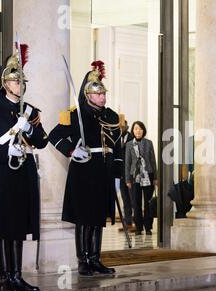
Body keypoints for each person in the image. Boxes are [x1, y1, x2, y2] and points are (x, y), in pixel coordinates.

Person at [49, 61, 122, 276]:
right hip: (83, 170)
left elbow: (117, 148)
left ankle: (96, 259)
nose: (103, 97)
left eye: (103, 94)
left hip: (103, 171)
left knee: (98, 216)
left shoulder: (111, 116)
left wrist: (117, 175)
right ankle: (83, 260)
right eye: (98, 94)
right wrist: (72, 151)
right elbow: (54, 136)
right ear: (88, 95)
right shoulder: (75, 114)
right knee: (84, 217)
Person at [0, 44, 48, 291]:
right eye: (16, 81)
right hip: (2, 177)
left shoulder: (29, 111)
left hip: (23, 175)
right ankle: (5, 279)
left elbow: (43, 141)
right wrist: (6, 152)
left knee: (19, 226)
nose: (21, 85)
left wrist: (29, 130)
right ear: (6, 84)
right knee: (4, 227)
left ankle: (17, 276)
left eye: (23, 81)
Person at [125, 121, 157, 236]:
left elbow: (153, 160)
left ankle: (148, 227)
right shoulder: (129, 144)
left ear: (143, 130)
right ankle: (138, 227)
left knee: (148, 203)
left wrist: (156, 177)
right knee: (136, 202)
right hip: (135, 176)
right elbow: (128, 163)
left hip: (148, 175)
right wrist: (127, 179)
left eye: (140, 129)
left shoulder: (149, 143)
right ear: (133, 131)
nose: (138, 131)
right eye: (135, 129)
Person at [117, 118, 135, 233]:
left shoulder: (132, 139)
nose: (121, 128)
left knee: (134, 200)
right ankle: (127, 223)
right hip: (121, 175)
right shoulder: (116, 139)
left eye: (122, 126)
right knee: (125, 200)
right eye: (119, 127)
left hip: (131, 175)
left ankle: (137, 223)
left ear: (127, 127)